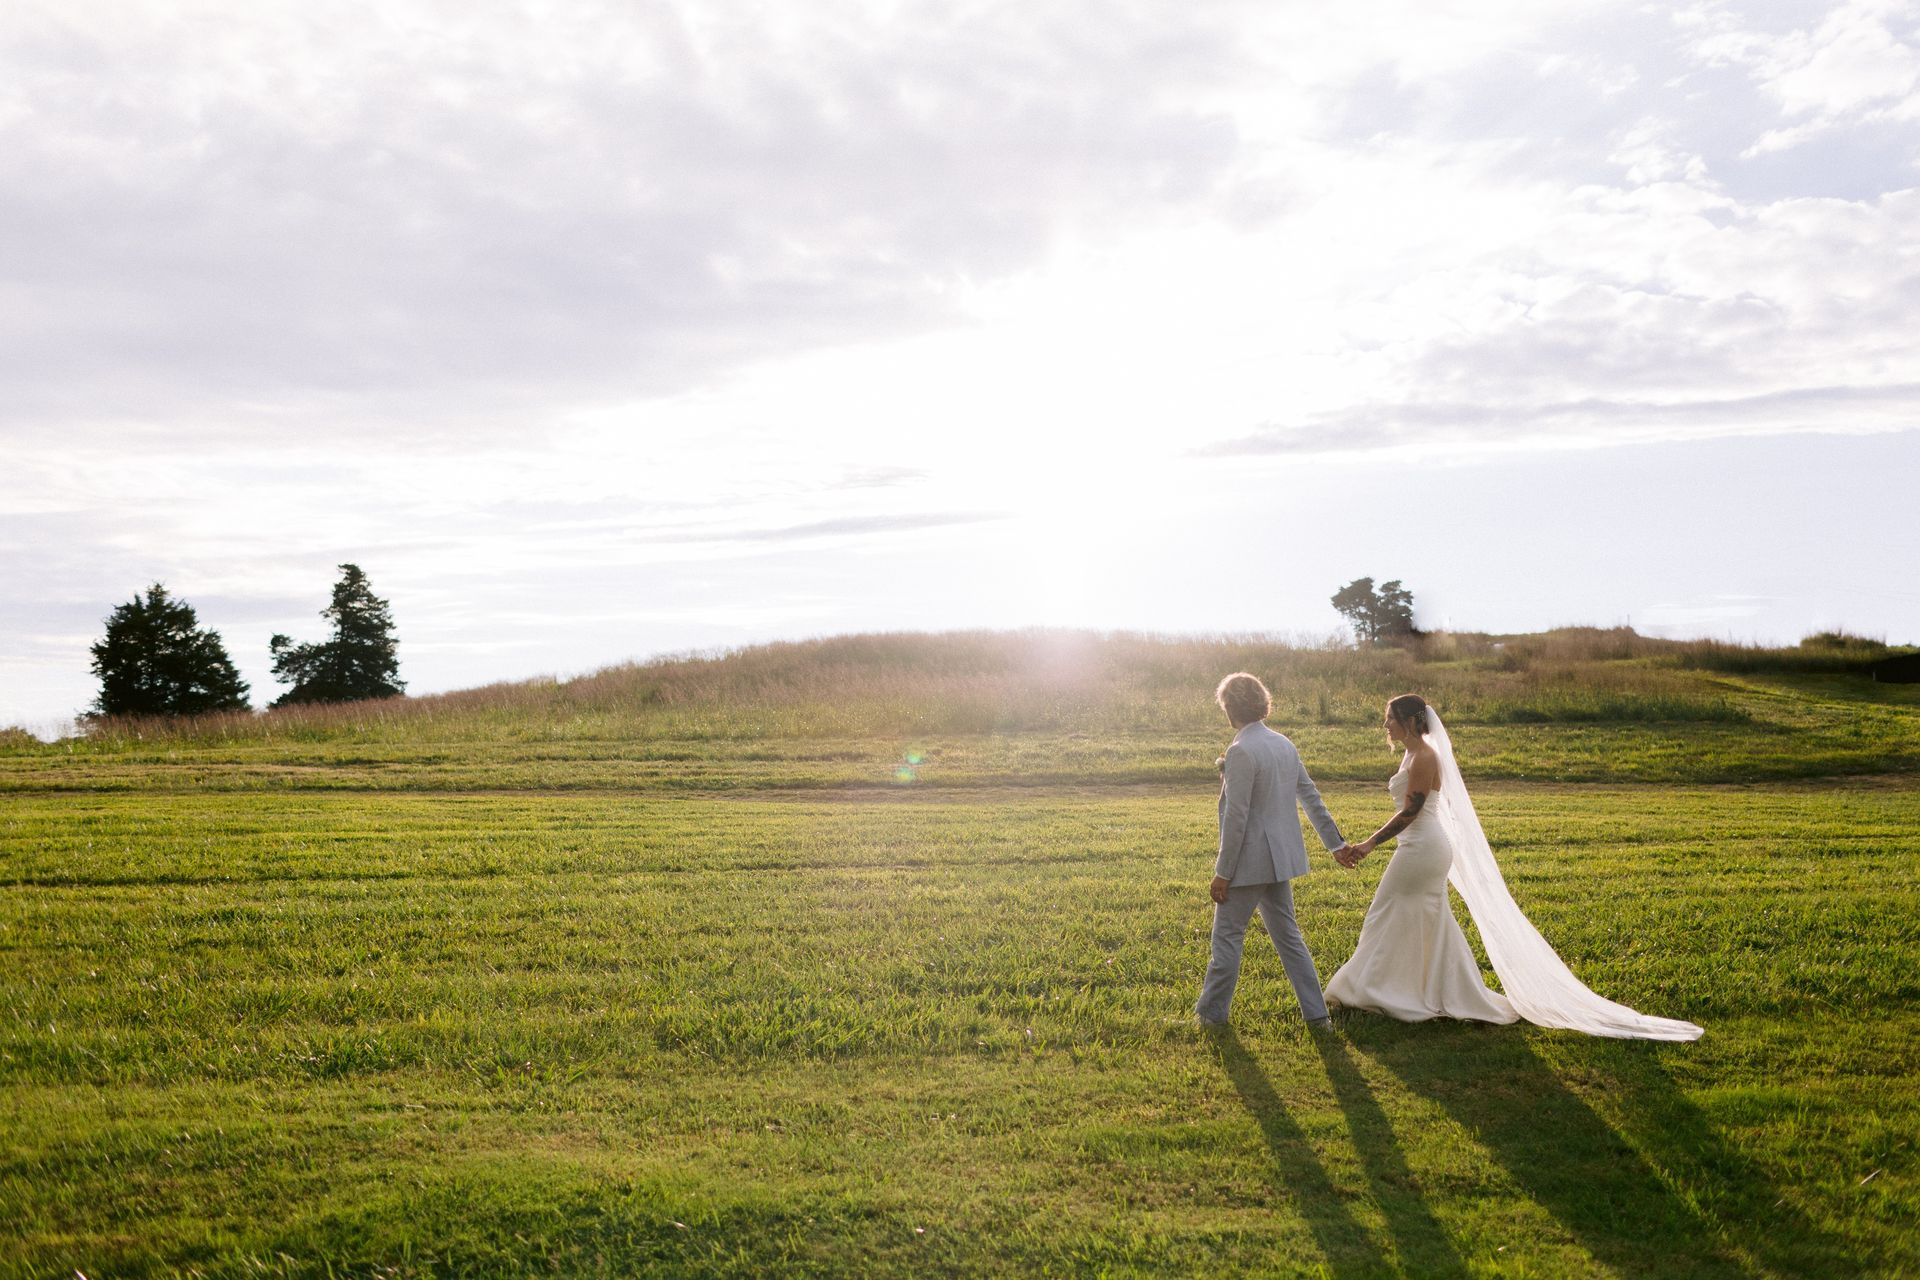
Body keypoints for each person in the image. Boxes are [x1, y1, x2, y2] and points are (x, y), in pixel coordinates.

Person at [1324, 694, 1702, 1040]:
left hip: (1423, 847)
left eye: (1390, 718)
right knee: (1418, 918)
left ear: (1409, 721)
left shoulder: (1424, 756)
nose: (1385, 725)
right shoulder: (1410, 755)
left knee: (1386, 912)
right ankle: (1415, 990)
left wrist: (1370, 843)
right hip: (1419, 846)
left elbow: (1412, 810)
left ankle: (1379, 989)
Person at [1195, 672, 1351, 1029]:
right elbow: (1311, 797)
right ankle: (1317, 1016)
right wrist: (1336, 844)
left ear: (1229, 707)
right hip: (1279, 861)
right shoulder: (1283, 744)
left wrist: (1223, 872)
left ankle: (1210, 1015)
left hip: (1247, 863)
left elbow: (1237, 816)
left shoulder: (1241, 750)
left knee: (1227, 939)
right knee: (1290, 938)